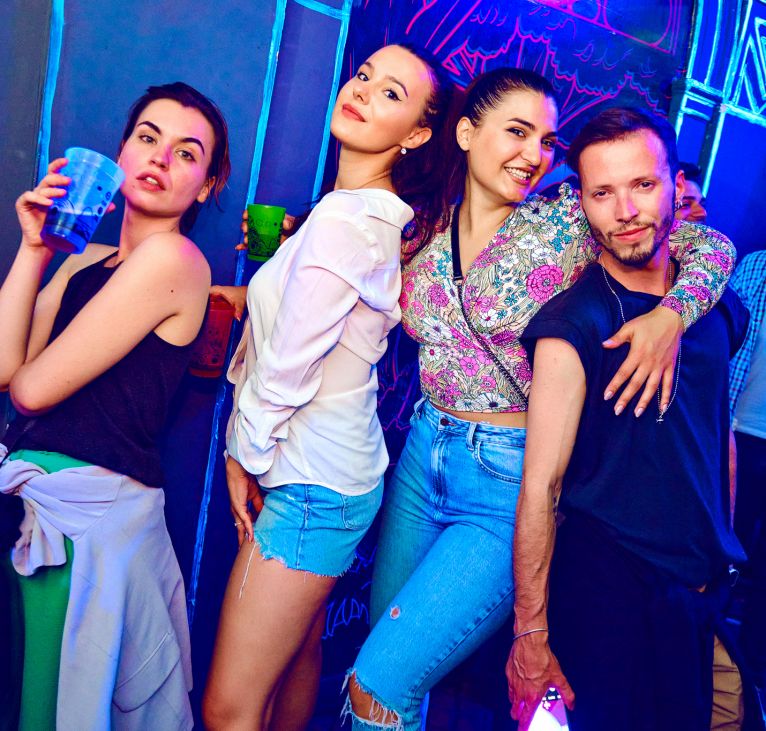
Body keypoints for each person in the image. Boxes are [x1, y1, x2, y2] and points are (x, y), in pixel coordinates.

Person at [345, 69, 737, 731]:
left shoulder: (567, 217)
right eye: (518, 132)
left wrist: (672, 314)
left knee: (382, 682)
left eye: (548, 142)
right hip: (421, 454)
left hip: (505, 471)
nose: (534, 154)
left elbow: (708, 243)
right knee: (386, 660)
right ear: (465, 133)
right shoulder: (421, 224)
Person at [201, 44, 454, 731]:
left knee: (227, 709)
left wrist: (243, 455)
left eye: (392, 93)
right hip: (334, 475)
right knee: (291, 662)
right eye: (364, 75)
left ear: (417, 135)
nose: (364, 90)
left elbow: (288, 365)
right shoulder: (358, 214)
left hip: (311, 485)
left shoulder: (347, 222)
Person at [506, 107, 748, 731]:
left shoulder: (712, 305)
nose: (626, 210)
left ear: (677, 185)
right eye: (602, 193)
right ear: (583, 204)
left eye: (643, 184)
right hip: (605, 591)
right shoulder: (572, 324)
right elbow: (540, 487)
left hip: (696, 588)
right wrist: (531, 633)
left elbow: (715, 430)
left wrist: (720, 548)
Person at [0, 82, 230, 729]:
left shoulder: (174, 258)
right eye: (148, 138)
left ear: (207, 186)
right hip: (44, 509)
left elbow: (30, 391)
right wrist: (35, 249)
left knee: (49, 711)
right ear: (122, 151)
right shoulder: (88, 261)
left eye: (187, 153)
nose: (160, 158)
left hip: (88, 524)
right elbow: (6, 367)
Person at [729, 249, 766, 694]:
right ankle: (711, 654)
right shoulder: (756, 267)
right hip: (738, 435)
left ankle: (754, 673)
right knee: (725, 550)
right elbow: (725, 343)